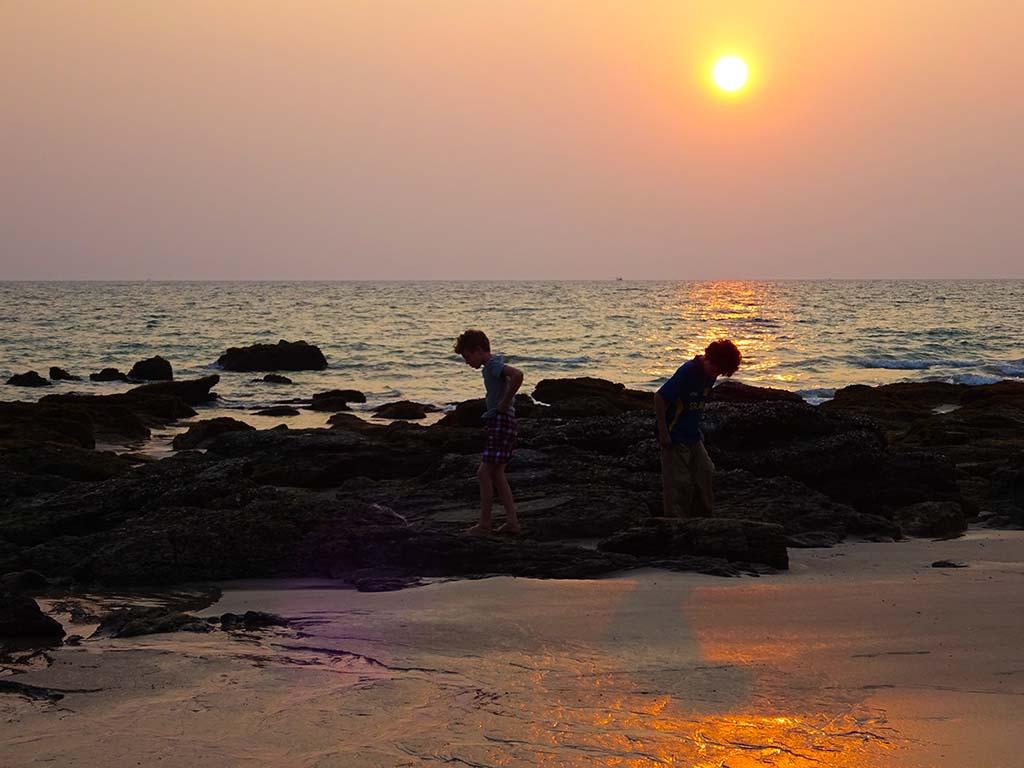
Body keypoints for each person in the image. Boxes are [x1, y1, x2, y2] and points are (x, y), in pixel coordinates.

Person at [654, 339, 742, 518]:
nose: (716, 374)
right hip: (674, 434)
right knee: (679, 482)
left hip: (693, 435)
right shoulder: (688, 371)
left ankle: (703, 518)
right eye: (716, 369)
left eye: (720, 372)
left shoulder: (711, 374)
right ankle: (675, 521)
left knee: (706, 472)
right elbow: (659, 397)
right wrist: (664, 433)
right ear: (710, 359)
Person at [454, 329, 525, 536]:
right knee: (497, 474)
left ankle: (485, 525)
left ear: (477, 350)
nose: (467, 362)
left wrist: (503, 403)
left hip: (501, 421)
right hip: (503, 421)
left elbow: (517, 375)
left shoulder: (493, 364)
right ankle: (512, 522)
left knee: (484, 473)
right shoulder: (491, 366)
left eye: (467, 357)